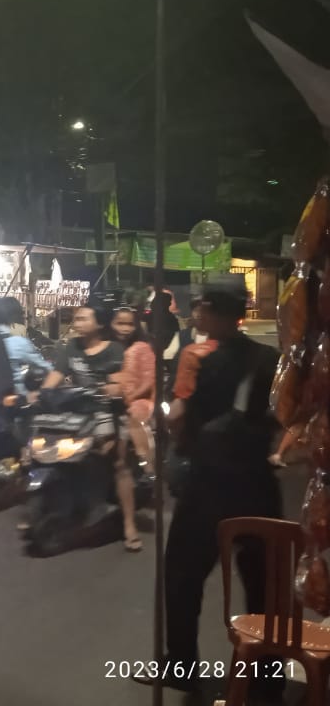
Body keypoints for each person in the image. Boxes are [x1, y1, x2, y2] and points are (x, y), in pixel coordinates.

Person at [138, 290, 283, 698]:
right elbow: (283, 414)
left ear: (213, 312)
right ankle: (267, 674)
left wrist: (180, 442)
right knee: (261, 582)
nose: (196, 313)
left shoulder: (195, 355)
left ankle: (181, 665)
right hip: (258, 484)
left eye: (201, 307)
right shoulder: (269, 358)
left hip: (209, 485)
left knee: (182, 574)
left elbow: (177, 416)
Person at [40, 304, 129, 546]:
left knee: (109, 456)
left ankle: (123, 521)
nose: (77, 323)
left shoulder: (114, 350)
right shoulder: (70, 347)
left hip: (107, 411)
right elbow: (55, 376)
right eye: (76, 319)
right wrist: (41, 394)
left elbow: (120, 384)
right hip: (78, 411)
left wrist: (110, 389)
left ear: (99, 323)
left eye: (83, 319)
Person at [111, 307, 156, 552]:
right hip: (102, 406)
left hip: (136, 403)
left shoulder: (141, 348)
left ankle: (129, 523)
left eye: (129, 324)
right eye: (120, 323)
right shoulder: (103, 348)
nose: (125, 328)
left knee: (122, 465)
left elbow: (148, 382)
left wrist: (126, 396)